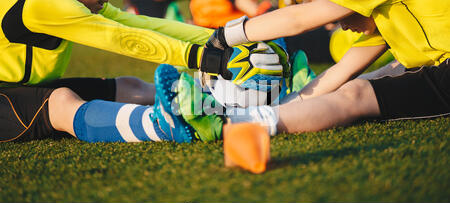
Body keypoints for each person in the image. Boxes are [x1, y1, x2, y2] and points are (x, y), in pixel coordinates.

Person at [0, 0, 283, 142]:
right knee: (60, 103)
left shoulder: (79, 1)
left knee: (131, 87)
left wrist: (221, 39)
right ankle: (162, 127)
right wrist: (201, 57)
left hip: (16, 87)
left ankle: (230, 104)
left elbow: (142, 25)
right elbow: (121, 39)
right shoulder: (46, 5)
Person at [166, 0, 450, 141]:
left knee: (358, 92)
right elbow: (340, 72)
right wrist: (290, 103)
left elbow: (298, 18)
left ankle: (229, 127)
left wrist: (224, 36)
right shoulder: (386, 21)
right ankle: (235, 117)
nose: (335, 24)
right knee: (369, 78)